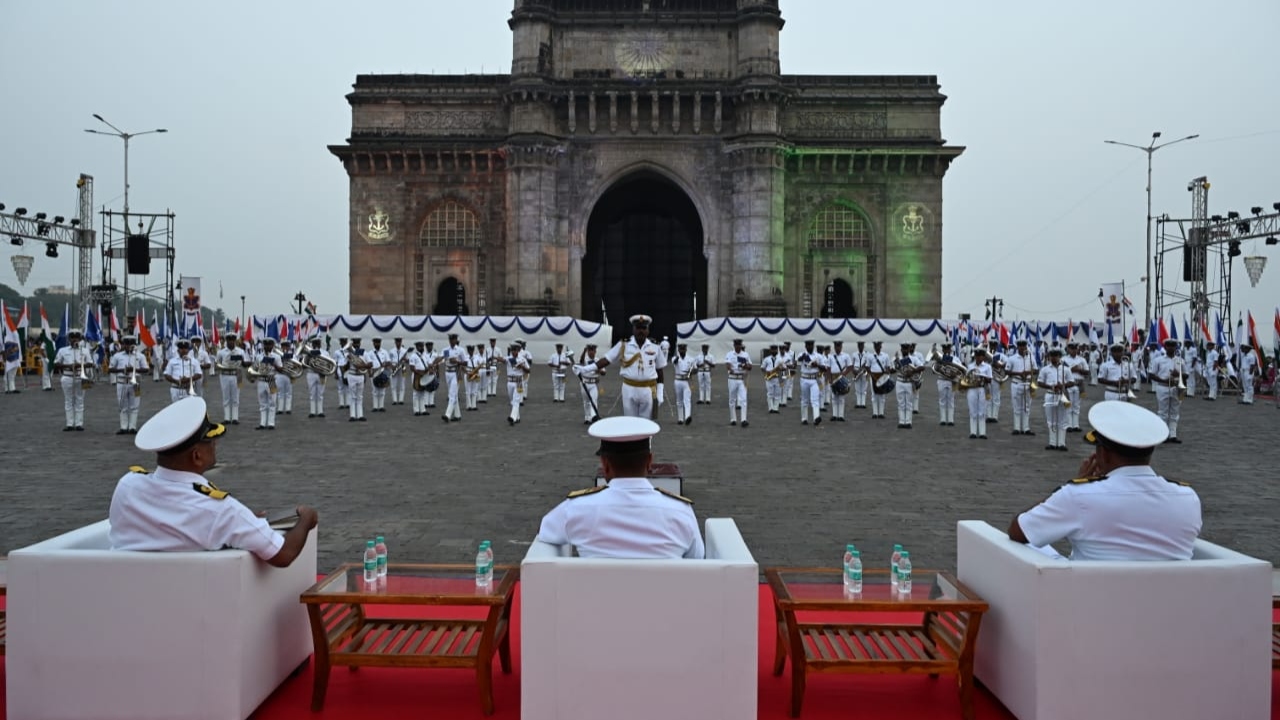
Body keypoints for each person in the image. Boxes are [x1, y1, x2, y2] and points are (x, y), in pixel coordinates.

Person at [108, 396, 319, 567]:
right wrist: (305, 520)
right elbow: (283, 555)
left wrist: (243, 520)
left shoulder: (128, 485)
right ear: (196, 456)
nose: (215, 444)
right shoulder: (220, 509)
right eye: (209, 442)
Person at [1008, 401, 1202, 561]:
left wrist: (1070, 486)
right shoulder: (1189, 497)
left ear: (1103, 453)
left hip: (1090, 600)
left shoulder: (1078, 495)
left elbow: (1018, 531)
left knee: (1033, 548)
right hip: (1170, 603)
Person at [537, 417, 703, 559]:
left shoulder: (576, 509)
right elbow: (697, 559)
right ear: (649, 462)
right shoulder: (681, 512)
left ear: (605, 464)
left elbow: (546, 533)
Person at [595, 314, 666, 419]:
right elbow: (607, 359)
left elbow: (660, 371)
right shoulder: (624, 345)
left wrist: (660, 392)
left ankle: (645, 436)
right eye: (638, 328)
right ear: (633, 329)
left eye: (644, 328)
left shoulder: (655, 346)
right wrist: (588, 368)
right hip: (629, 388)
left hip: (648, 389)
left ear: (648, 331)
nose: (640, 331)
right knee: (630, 421)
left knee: (646, 424)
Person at [109, 335, 149, 434]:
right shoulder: (117, 356)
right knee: (122, 405)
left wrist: (134, 370)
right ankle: (123, 427)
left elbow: (146, 369)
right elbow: (110, 368)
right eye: (126, 344)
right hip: (122, 382)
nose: (128, 346)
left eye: (131, 344)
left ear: (134, 345)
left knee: (134, 405)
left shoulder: (140, 356)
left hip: (135, 382)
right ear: (123, 345)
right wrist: (122, 370)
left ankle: (132, 427)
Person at [1148, 338, 1185, 443]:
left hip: (1177, 387)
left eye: (1173, 346)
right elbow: (1151, 374)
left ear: (1175, 347)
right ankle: (1163, 434)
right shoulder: (1158, 360)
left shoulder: (1180, 360)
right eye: (1168, 345)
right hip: (1163, 386)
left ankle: (1173, 435)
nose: (1171, 348)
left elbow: (1186, 374)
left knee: (1175, 412)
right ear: (1165, 347)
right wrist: (1163, 379)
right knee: (1163, 412)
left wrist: (1178, 374)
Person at [572, 344, 604, 425]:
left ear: (595, 351)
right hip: (585, 383)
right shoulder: (585, 359)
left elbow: (604, 372)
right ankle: (587, 418)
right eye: (589, 351)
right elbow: (581, 362)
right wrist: (583, 351)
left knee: (594, 400)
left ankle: (594, 416)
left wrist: (599, 371)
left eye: (592, 350)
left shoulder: (598, 360)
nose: (591, 352)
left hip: (593, 383)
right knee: (586, 401)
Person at [164, 339, 202, 404]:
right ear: (178, 350)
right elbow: (167, 374)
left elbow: (199, 374)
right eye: (181, 348)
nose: (183, 350)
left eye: (185, 348)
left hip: (188, 389)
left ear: (188, 350)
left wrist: (189, 379)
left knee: (189, 409)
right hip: (176, 388)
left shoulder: (194, 361)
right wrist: (176, 381)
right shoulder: (172, 361)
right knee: (176, 409)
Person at [504, 342, 530, 425]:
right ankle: (517, 417)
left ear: (518, 350)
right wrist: (496, 358)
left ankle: (512, 417)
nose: (513, 352)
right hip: (510, 381)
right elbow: (502, 359)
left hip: (519, 380)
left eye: (515, 350)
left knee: (516, 400)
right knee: (512, 400)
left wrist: (522, 367)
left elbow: (528, 370)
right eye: (512, 350)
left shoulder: (522, 359)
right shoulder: (508, 359)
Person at [671, 343, 695, 425]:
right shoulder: (675, 358)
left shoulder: (690, 359)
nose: (682, 351)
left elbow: (695, 369)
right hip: (677, 380)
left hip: (686, 381)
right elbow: (674, 362)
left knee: (687, 400)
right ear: (678, 350)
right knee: (679, 401)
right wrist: (678, 356)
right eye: (680, 349)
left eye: (683, 349)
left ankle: (687, 416)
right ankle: (680, 418)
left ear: (686, 350)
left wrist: (691, 371)